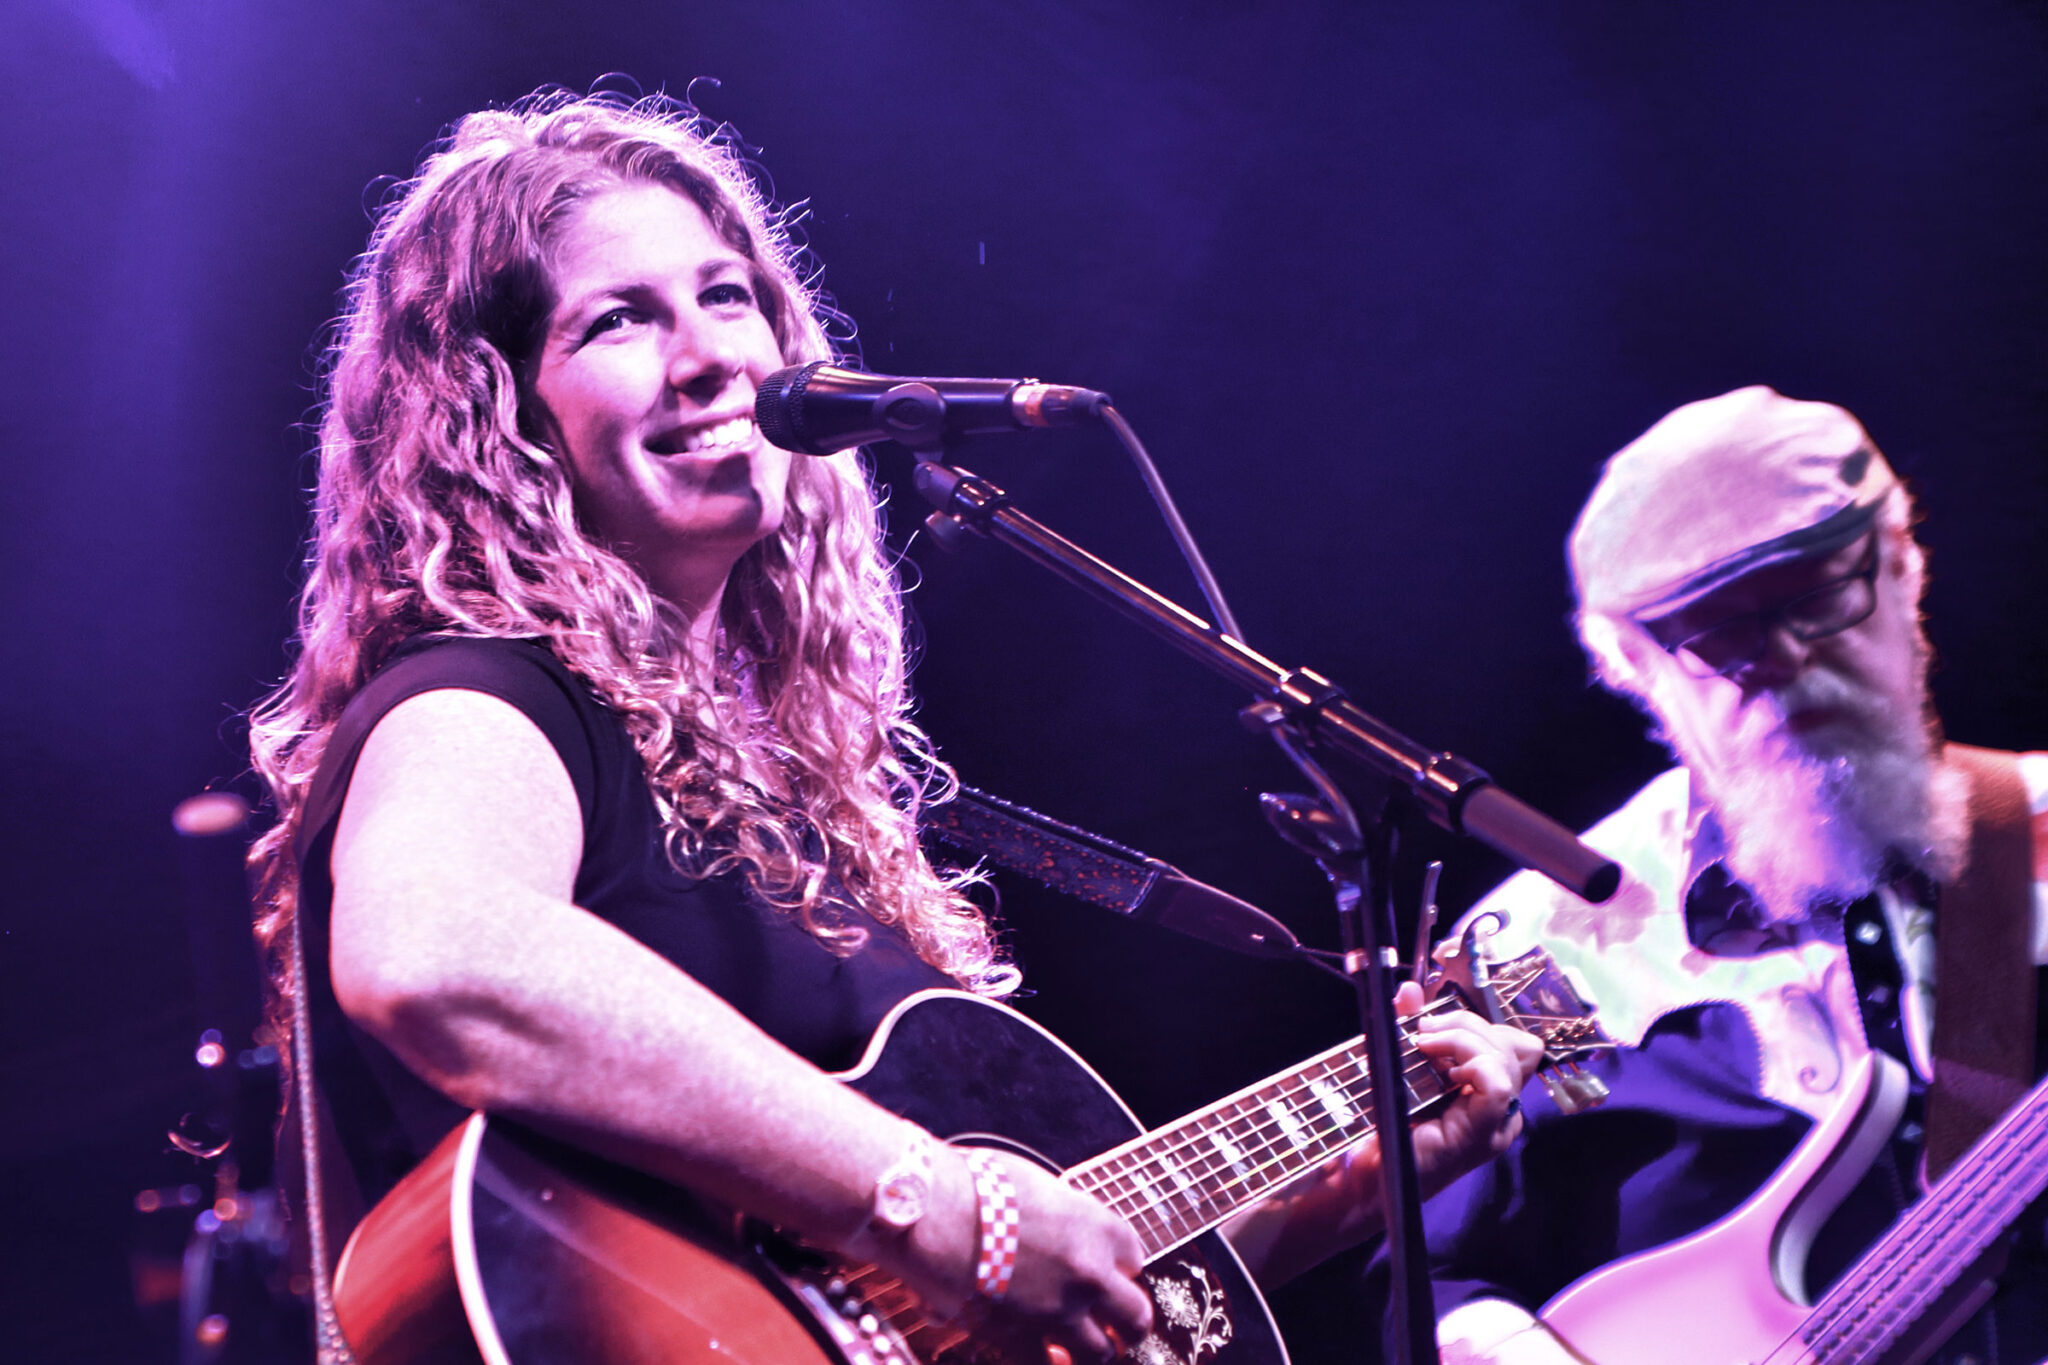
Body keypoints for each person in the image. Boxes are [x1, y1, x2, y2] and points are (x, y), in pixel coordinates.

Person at [246, 89, 1540, 1362]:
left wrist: (1353, 1178)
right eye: (621, 320)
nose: (712, 356)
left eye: (728, 294)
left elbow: (981, 1304)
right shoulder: (484, 694)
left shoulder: (794, 789)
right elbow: (432, 954)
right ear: (501, 417)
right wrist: (929, 1199)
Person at [1401, 386, 2048, 1364]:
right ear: (1630, 664)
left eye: (1820, 593)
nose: (1785, 657)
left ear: (1904, 564)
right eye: (1717, 634)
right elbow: (1439, 1276)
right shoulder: (1532, 949)